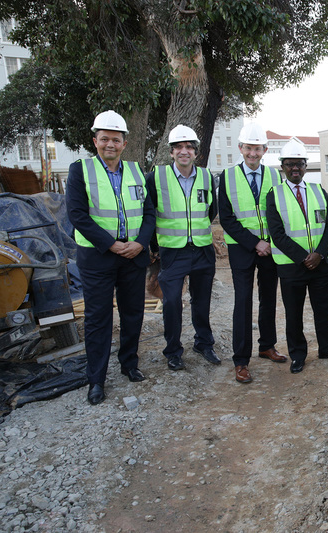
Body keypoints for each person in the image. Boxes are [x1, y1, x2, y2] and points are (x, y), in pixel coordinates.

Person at [66, 110, 156, 405]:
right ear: (95, 141)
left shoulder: (135, 171)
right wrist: (112, 245)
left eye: (115, 140)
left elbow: (149, 213)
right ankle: (97, 379)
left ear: (124, 143)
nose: (110, 145)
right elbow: (78, 215)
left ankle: (129, 364)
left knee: (133, 314)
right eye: (104, 139)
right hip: (98, 258)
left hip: (132, 256)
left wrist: (141, 244)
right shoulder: (81, 170)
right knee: (98, 319)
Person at [267, 140, 328, 374]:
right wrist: (304, 257)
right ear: (282, 166)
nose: (295, 169)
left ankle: (326, 347)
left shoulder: (317, 191)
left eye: (300, 164)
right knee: (294, 314)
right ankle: (298, 354)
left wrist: (320, 254)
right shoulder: (275, 195)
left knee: (323, 309)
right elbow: (277, 234)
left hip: (321, 265)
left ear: (305, 166)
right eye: (290, 164)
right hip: (292, 267)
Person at [145, 125, 220, 372]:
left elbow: (211, 211)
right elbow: (149, 214)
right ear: (171, 152)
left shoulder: (207, 177)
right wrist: (155, 247)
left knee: (201, 300)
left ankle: (203, 343)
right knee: (171, 302)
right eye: (179, 147)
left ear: (196, 152)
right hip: (172, 251)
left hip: (202, 250)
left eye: (189, 147)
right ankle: (173, 351)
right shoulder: (157, 177)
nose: (184, 151)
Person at [219, 123, 286, 385]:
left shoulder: (274, 175)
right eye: (248, 148)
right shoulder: (227, 176)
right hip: (242, 248)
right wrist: (254, 243)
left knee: (268, 299)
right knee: (243, 303)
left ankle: (266, 345)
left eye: (257, 149)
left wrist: (268, 242)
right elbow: (226, 218)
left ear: (265, 150)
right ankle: (241, 360)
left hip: (270, 248)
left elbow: (279, 212)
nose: (253, 153)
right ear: (240, 148)